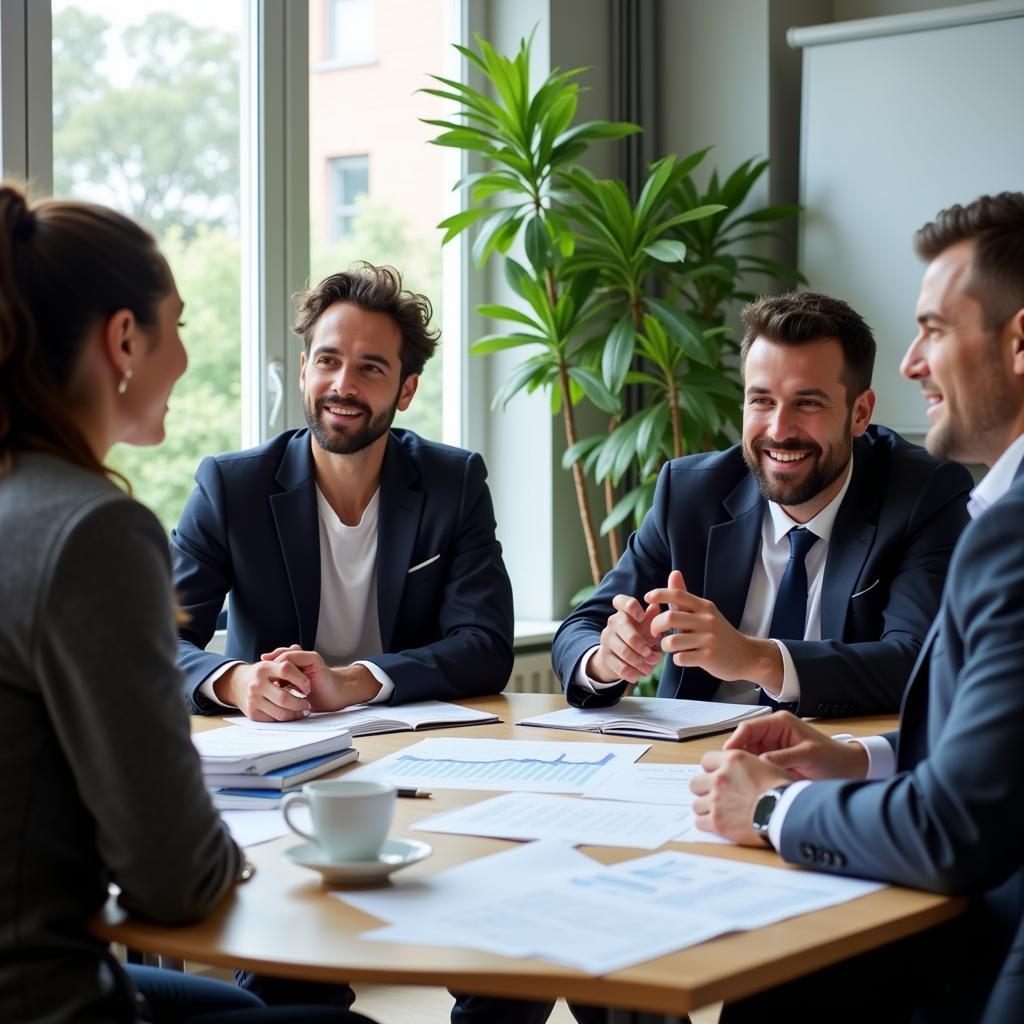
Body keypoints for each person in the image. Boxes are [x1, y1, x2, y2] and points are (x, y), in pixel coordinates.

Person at [0, 183, 373, 1022]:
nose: (185, 360)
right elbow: (174, 879)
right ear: (123, 339)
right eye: (180, 326)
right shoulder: (92, 530)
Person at [691, 192, 1024, 1022]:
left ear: (1019, 344)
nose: (914, 363)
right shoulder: (690, 490)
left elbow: (952, 831)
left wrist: (772, 806)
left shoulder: (999, 530)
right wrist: (858, 757)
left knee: (782, 984)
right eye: (760, 399)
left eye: (935, 330)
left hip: (990, 946)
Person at [552, 291, 973, 717]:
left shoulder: (923, 493)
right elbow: (580, 629)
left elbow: (916, 660)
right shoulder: (689, 493)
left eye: (807, 402)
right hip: (692, 761)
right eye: (761, 400)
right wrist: (607, 659)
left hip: (834, 760)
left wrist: (758, 659)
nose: (779, 429)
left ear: (860, 413)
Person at [173, 263, 514, 722]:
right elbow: (155, 642)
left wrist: (352, 682)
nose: (342, 386)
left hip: (411, 740)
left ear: (406, 389)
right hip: (271, 743)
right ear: (303, 370)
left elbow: (485, 647)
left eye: (370, 368)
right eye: (328, 361)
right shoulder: (230, 487)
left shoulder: (453, 483)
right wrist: (235, 682)